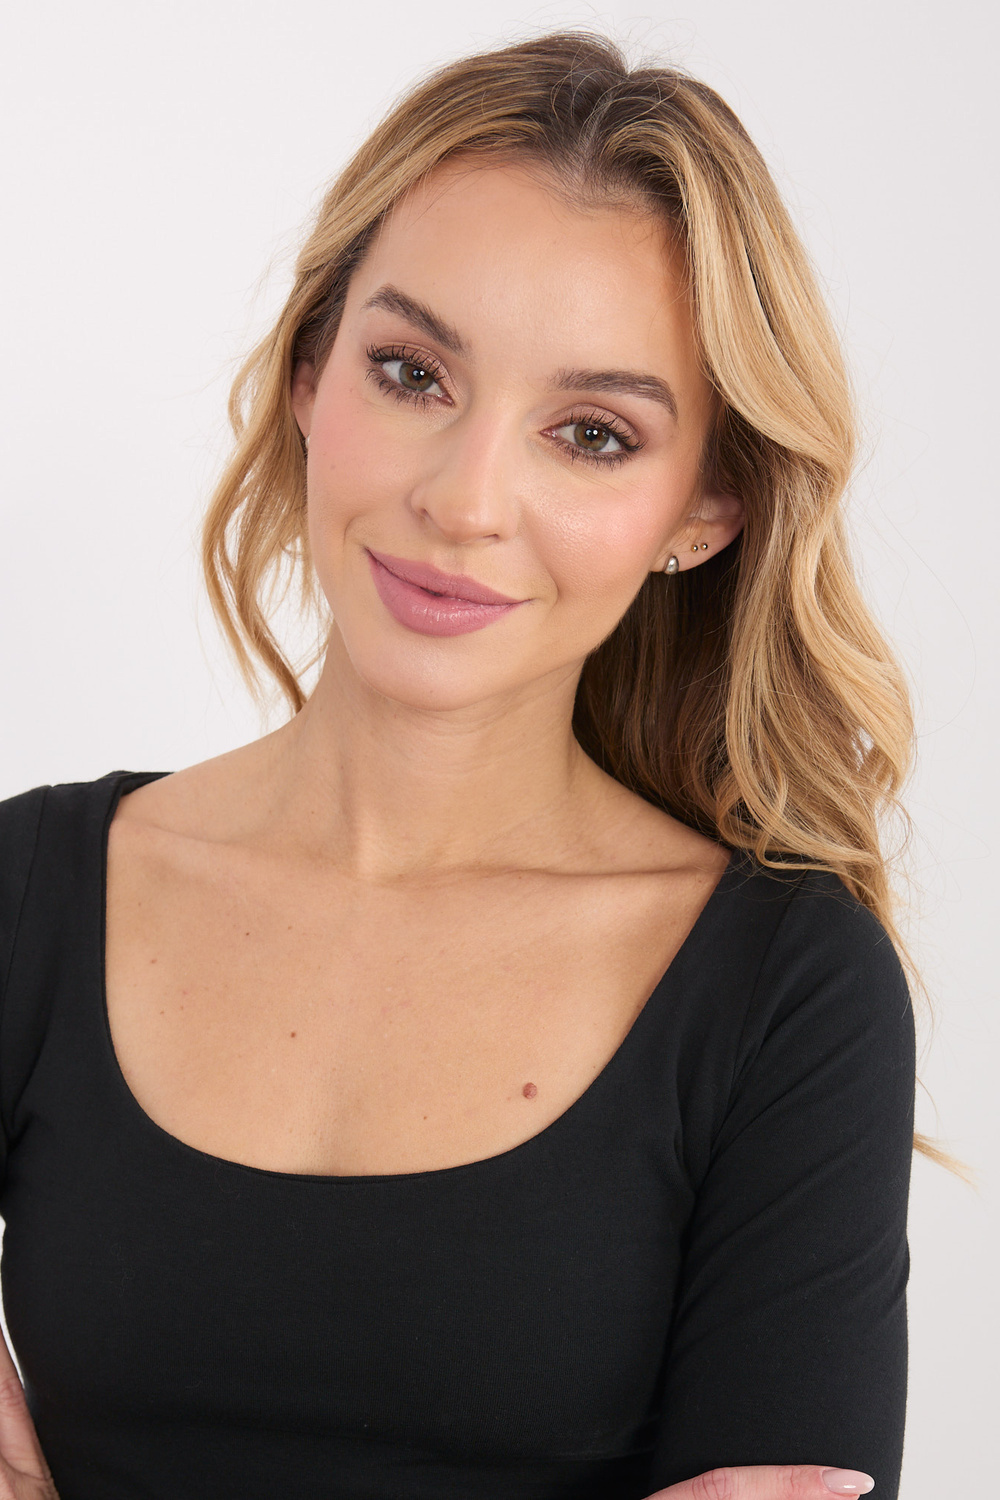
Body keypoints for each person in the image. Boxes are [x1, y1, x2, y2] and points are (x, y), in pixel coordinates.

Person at [0, 29, 960, 1500]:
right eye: (411, 372)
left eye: (592, 434)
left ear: (705, 509)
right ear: (311, 374)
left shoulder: (786, 990)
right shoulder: (28, 894)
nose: (466, 501)